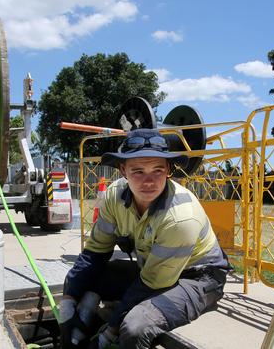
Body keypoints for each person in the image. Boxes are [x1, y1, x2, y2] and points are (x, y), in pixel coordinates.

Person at [59, 128, 230, 349]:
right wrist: (68, 302)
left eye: (157, 170)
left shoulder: (180, 218)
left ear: (169, 169)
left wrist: (108, 333)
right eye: (138, 171)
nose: (148, 181)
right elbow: (95, 252)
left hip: (197, 278)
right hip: (153, 269)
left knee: (136, 326)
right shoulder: (115, 195)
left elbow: (151, 284)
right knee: (82, 279)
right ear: (123, 170)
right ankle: (77, 330)